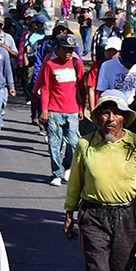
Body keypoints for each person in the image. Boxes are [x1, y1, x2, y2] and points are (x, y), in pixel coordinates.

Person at [63, 90, 136, 271]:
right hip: (93, 215)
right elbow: (76, 180)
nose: (110, 118)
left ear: (124, 118)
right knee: (98, 270)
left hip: (128, 215)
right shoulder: (85, 144)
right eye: (105, 113)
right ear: (97, 117)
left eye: (116, 113)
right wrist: (69, 211)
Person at [35, 34, 84, 187]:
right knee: (54, 144)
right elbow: (45, 88)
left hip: (72, 110)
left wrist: (81, 108)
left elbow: (81, 88)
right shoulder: (50, 64)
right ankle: (56, 173)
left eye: (71, 49)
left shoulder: (77, 64)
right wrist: (44, 109)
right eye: (65, 49)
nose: (68, 52)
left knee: (74, 143)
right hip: (54, 110)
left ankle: (68, 165)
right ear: (58, 49)